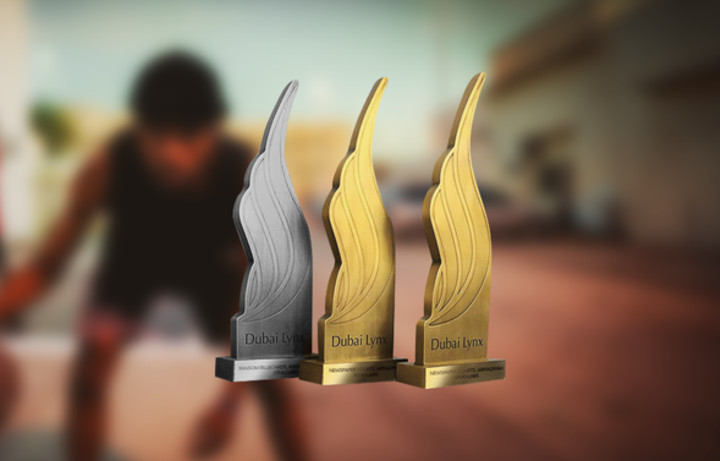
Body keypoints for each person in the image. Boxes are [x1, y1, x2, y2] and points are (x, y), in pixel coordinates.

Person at [0, 51, 308, 461]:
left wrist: (228, 405)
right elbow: (44, 268)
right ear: (140, 130)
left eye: (189, 138)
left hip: (210, 270)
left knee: (273, 384)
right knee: (89, 374)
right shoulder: (106, 166)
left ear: (212, 132)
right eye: (159, 136)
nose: (171, 154)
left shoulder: (246, 177)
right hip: (135, 263)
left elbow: (259, 304)